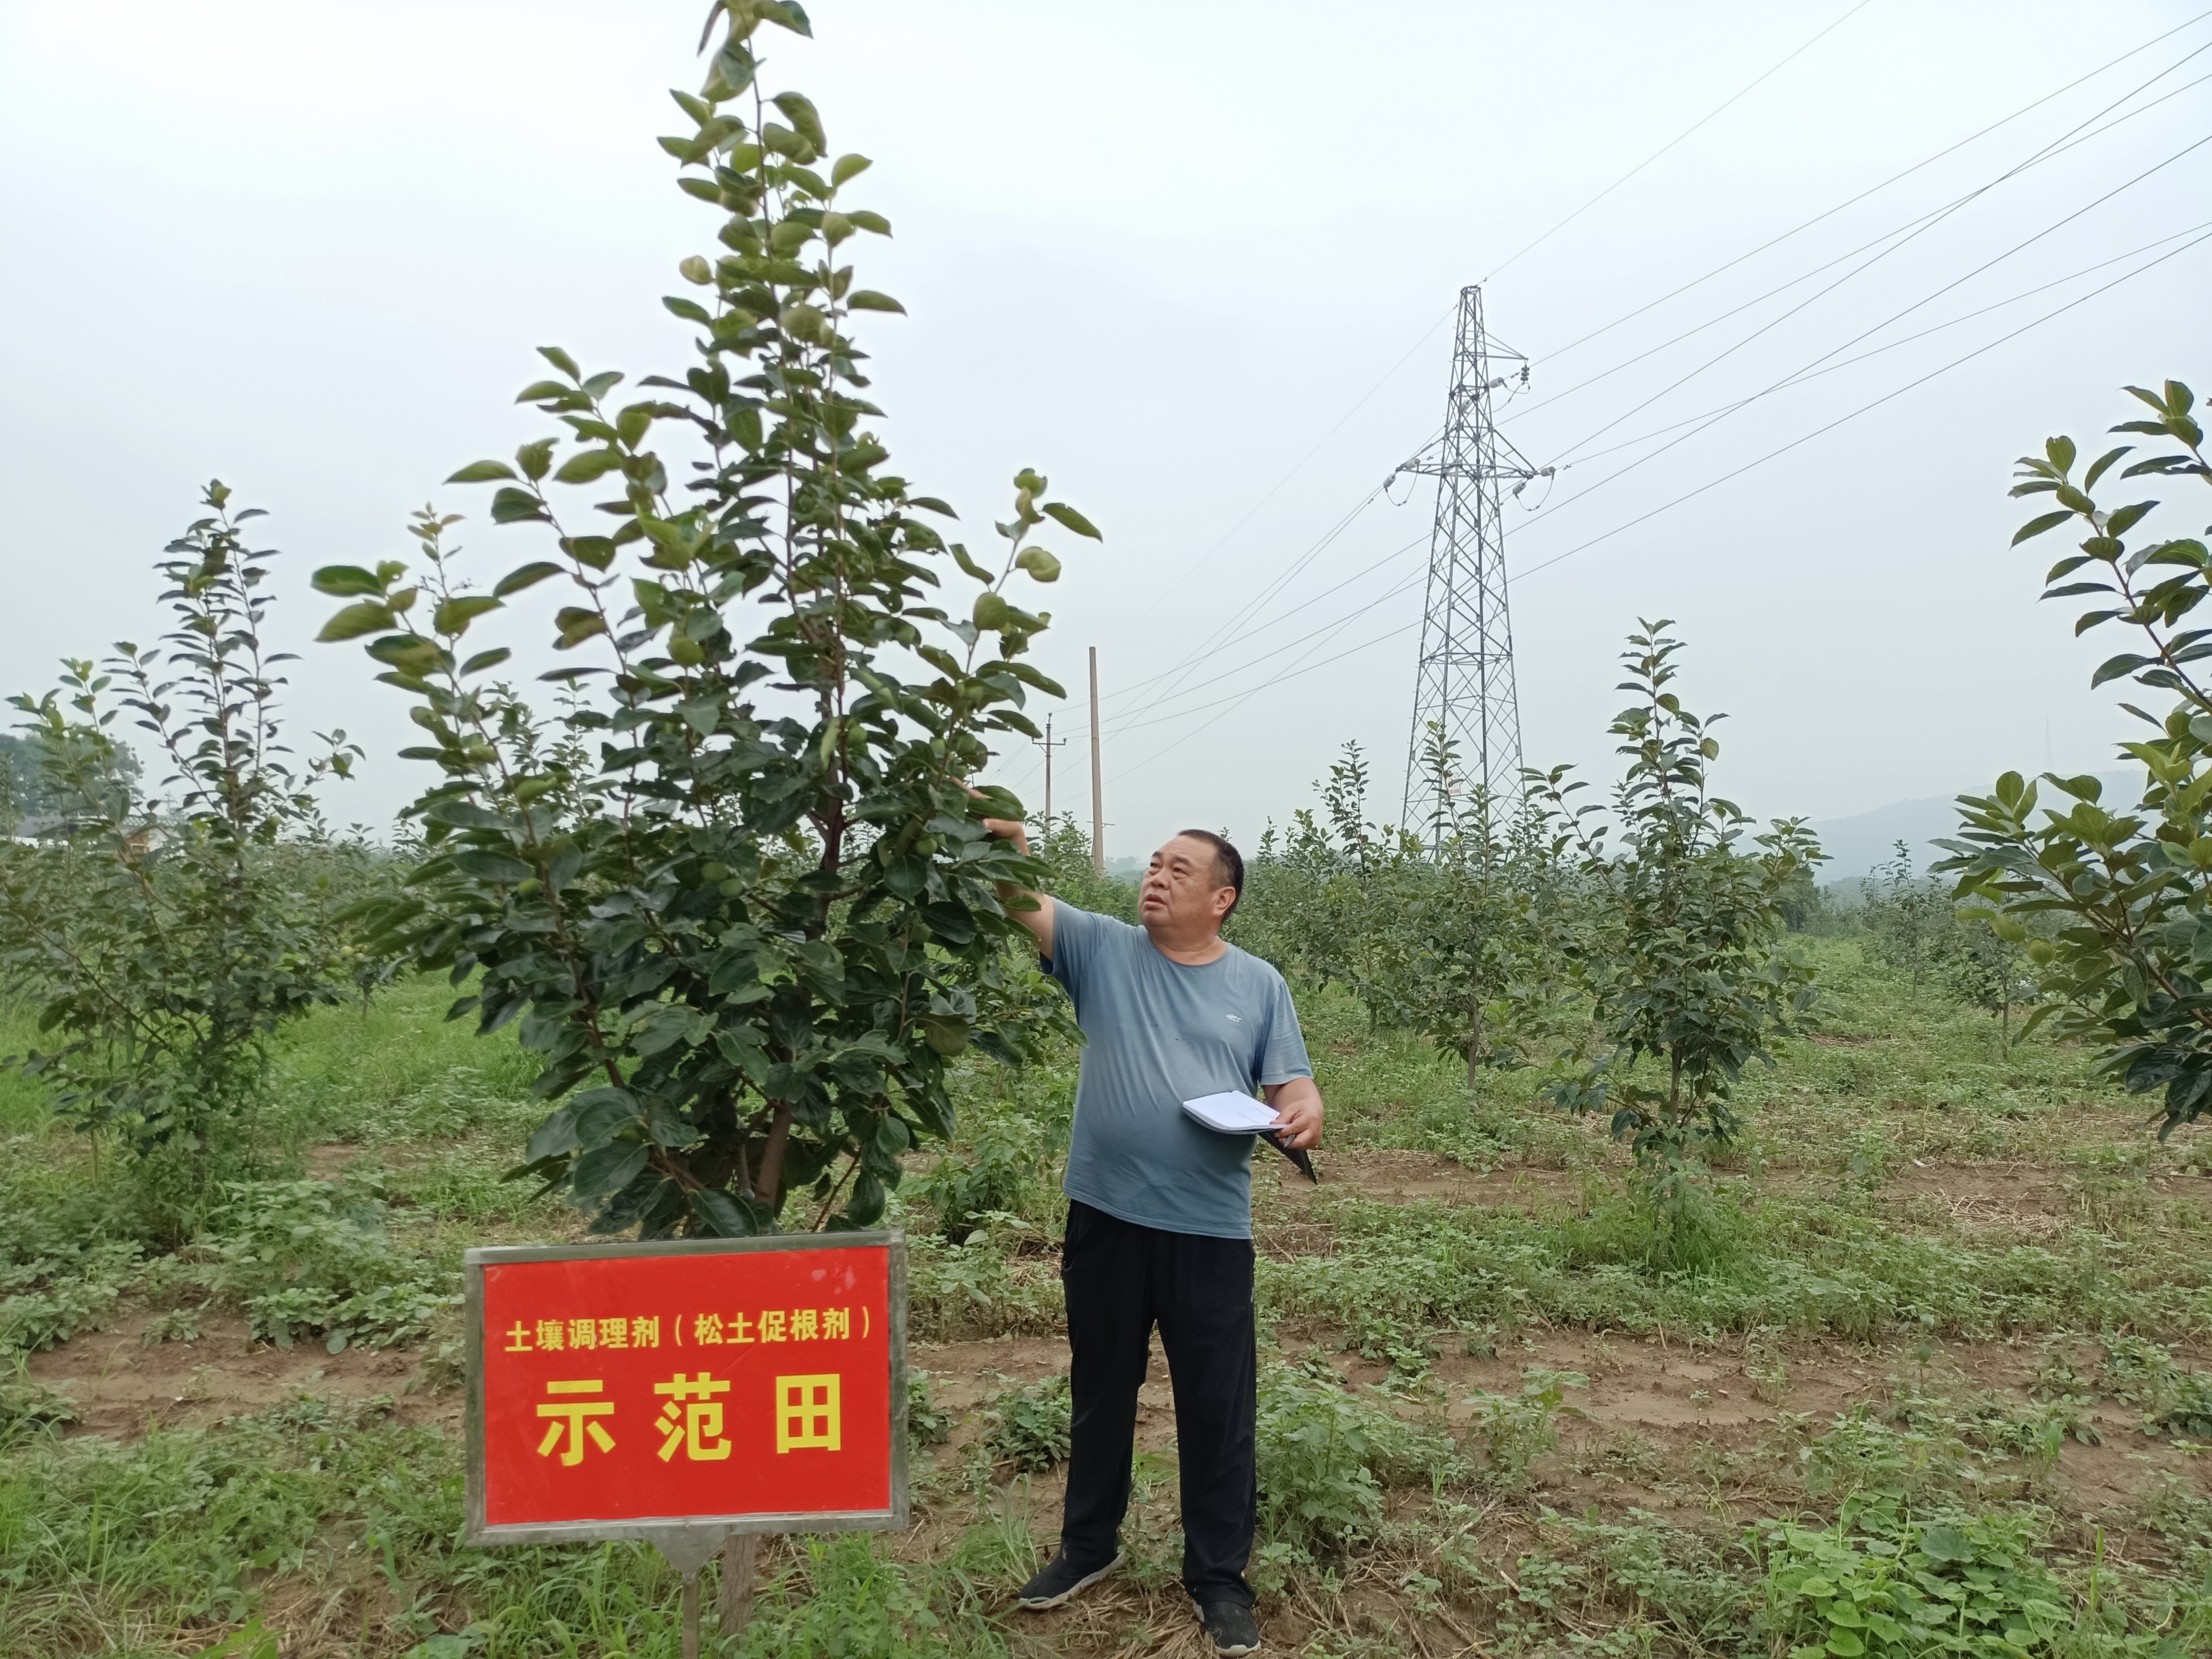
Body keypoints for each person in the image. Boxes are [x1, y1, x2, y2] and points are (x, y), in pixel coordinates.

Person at [978, 815, 1324, 1657]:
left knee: (1217, 1405)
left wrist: (1306, 1107)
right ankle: (1088, 1547)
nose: (1157, 878)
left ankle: (1217, 1579)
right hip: (1105, 1216)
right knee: (1101, 1389)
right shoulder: (1102, 951)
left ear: (1221, 899)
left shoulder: (1259, 984)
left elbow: (1293, 1081)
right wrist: (999, 845)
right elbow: (1015, 899)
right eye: (1155, 865)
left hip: (1207, 1228)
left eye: (1180, 870)